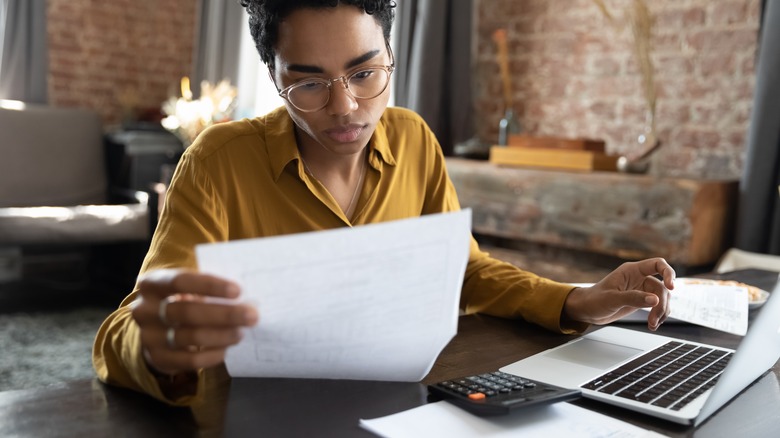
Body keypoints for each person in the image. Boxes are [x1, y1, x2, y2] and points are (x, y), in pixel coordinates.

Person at [93, 0, 675, 406]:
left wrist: (576, 301)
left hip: (407, 403)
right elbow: (130, 322)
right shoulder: (219, 161)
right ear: (274, 80)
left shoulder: (414, 139)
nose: (346, 107)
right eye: (309, 83)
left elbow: (465, 272)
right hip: (258, 414)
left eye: (365, 72)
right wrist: (158, 348)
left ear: (391, 55)